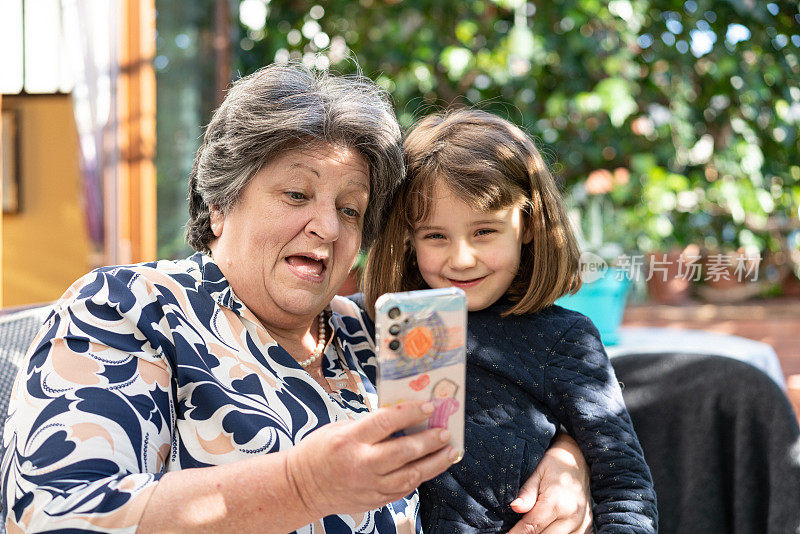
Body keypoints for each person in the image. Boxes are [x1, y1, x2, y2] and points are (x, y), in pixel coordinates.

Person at [1, 64, 593, 533]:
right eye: (295, 194)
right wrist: (304, 486)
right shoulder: (129, 306)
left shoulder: (378, 333)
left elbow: (516, 400)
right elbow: (57, 517)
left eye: (350, 209)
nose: (328, 228)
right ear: (220, 203)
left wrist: (569, 458)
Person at [363, 109, 658, 532]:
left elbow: (625, 484)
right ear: (408, 238)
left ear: (529, 225)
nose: (461, 258)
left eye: (484, 231)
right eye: (435, 236)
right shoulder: (375, 323)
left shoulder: (564, 339)